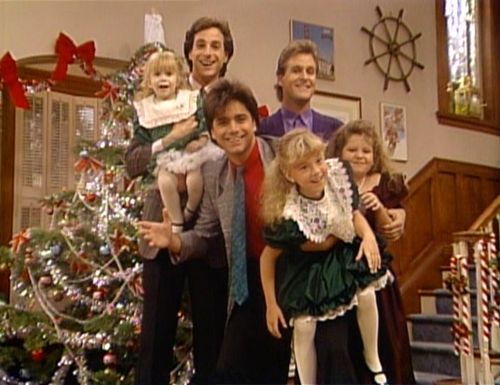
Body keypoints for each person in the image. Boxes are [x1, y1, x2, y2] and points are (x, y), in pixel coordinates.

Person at [137, 79, 292, 385]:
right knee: (227, 371)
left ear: (254, 122)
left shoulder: (281, 155)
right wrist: (175, 241)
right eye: (223, 122)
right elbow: (206, 236)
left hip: (293, 274)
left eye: (240, 119)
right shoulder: (215, 171)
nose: (233, 129)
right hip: (248, 279)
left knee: (274, 369)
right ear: (212, 132)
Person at [126, 17, 233, 385]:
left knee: (211, 340)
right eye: (200, 44)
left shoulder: (232, 102)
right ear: (188, 52)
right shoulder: (160, 97)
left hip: (210, 238)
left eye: (215, 46)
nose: (207, 52)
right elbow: (132, 162)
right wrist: (172, 137)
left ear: (226, 55)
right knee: (154, 341)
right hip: (160, 229)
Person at [260, 128, 391, 385]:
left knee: (366, 294)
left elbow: (352, 214)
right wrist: (271, 305)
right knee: (304, 326)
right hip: (305, 272)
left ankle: (373, 358)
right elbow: (267, 258)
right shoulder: (290, 211)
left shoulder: (335, 179)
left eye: (318, 160)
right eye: (304, 167)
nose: (316, 171)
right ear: (288, 174)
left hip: (340, 256)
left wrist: (368, 236)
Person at [327, 119, 416, 385]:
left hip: (377, 275)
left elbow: (390, 231)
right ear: (339, 152)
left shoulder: (385, 184)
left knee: (384, 342)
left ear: (375, 154)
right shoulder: (330, 182)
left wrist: (378, 208)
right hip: (340, 273)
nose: (359, 155)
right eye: (352, 150)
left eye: (366, 151)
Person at [133, 50, 222, 233]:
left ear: (178, 78)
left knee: (194, 180)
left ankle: (190, 209)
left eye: (168, 74)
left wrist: (202, 139)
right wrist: (166, 140)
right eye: (157, 75)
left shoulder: (189, 99)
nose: (163, 79)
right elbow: (137, 152)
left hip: (191, 152)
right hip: (166, 158)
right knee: (165, 182)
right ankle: (176, 221)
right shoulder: (145, 108)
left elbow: (203, 122)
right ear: (149, 80)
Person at [257, 39, 343, 141]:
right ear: (280, 79)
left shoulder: (336, 131)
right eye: (296, 70)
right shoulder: (262, 131)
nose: (304, 77)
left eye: (310, 71)